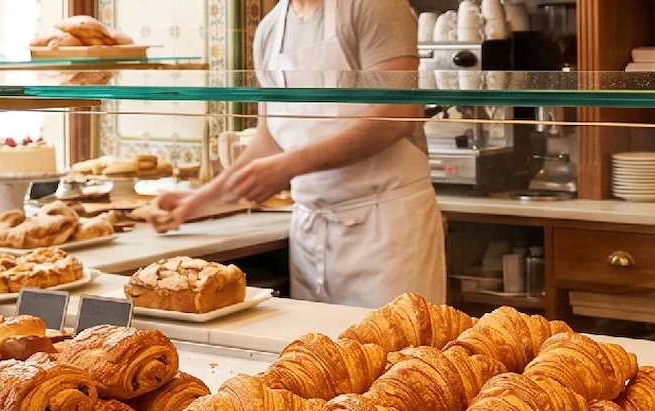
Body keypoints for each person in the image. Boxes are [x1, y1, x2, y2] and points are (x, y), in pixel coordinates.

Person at [149, 0, 446, 308]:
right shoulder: (270, 29)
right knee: (316, 353)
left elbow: (397, 112)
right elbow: (269, 141)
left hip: (386, 229)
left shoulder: (374, 6)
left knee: (398, 352)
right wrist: (195, 202)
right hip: (309, 233)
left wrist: (289, 166)